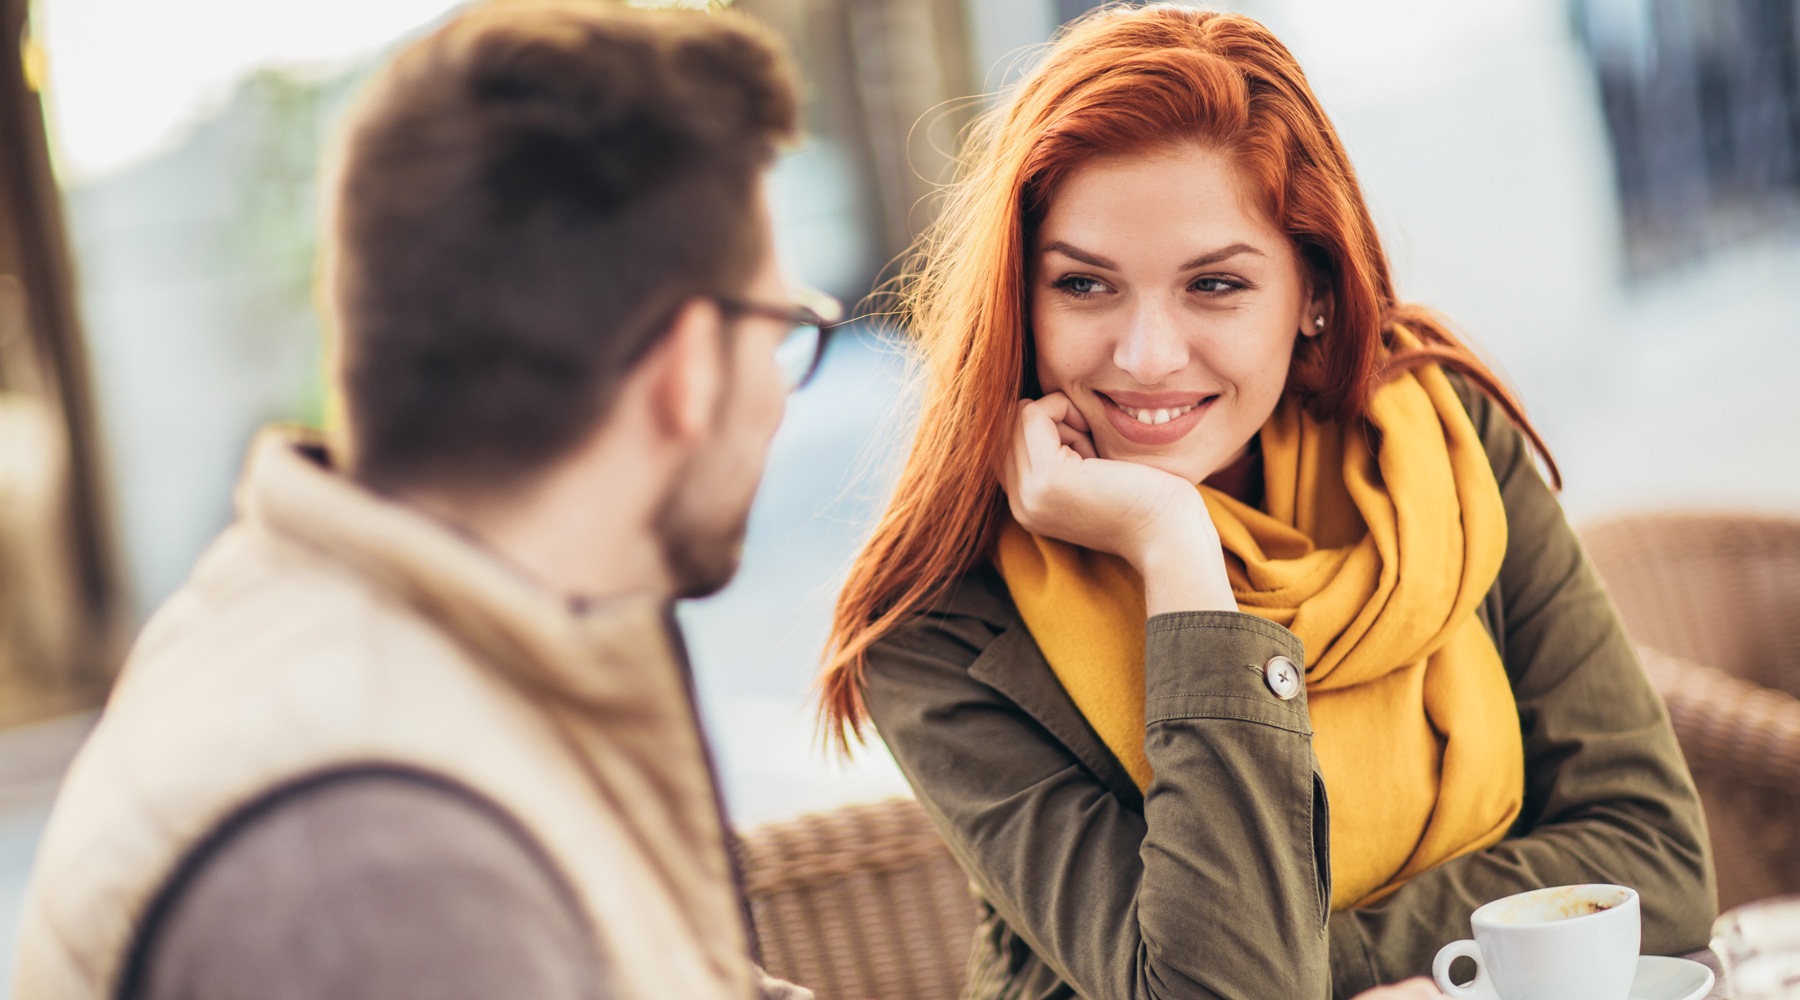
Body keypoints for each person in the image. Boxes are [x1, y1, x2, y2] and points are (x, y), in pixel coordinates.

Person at [818, 6, 1716, 999]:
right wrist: (1174, 551)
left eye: (1214, 285)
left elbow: (1656, 859)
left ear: (1314, 292)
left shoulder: (1439, 445)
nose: (1147, 354)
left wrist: (1340, 967)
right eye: (1083, 285)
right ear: (1017, 301)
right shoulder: (943, 623)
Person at [11, 3, 832, 998]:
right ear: (692, 364)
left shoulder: (356, 640)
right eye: (782, 329)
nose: (782, 392)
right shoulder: (384, 877)